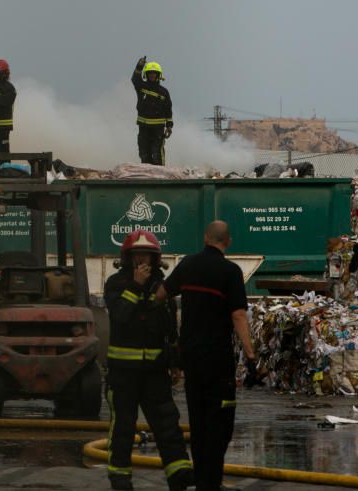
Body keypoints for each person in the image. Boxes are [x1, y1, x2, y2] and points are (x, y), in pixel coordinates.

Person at [156, 221, 256, 491]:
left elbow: (161, 294)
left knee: (198, 420)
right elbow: (237, 314)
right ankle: (211, 483)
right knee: (220, 422)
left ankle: (203, 481)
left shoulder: (188, 264)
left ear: (205, 238)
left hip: (191, 358)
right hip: (217, 359)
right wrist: (250, 353)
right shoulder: (230, 271)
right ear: (228, 241)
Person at [104, 230, 193, 491]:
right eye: (137, 255)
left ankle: (179, 473)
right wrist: (136, 285)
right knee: (123, 427)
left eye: (147, 256)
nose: (143, 260)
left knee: (168, 425)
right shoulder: (116, 284)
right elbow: (119, 315)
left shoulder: (162, 288)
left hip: (155, 372)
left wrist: (175, 362)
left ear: (156, 259)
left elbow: (170, 330)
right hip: (123, 373)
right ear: (127, 258)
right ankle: (120, 478)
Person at [131, 56, 173, 165]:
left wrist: (169, 126)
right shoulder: (142, 87)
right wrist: (139, 66)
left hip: (158, 129)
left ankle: (160, 178)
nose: (152, 75)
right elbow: (135, 79)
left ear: (159, 75)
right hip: (143, 127)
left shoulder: (164, 92)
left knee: (157, 153)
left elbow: (168, 109)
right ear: (146, 74)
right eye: (150, 73)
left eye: (154, 73)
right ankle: (148, 179)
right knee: (144, 153)